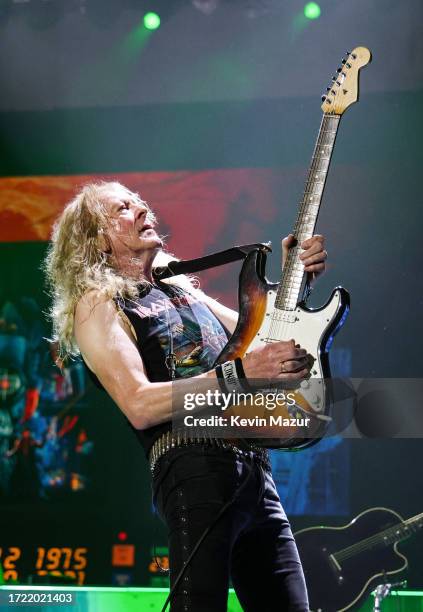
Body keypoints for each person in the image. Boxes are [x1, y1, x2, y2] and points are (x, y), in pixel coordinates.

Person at [45, 181, 327, 611]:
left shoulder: (183, 291)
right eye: (123, 208)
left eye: (139, 202)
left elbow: (267, 343)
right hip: (193, 468)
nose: (141, 208)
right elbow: (139, 404)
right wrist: (241, 374)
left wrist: (295, 281)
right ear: (96, 238)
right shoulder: (98, 304)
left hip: (254, 472)